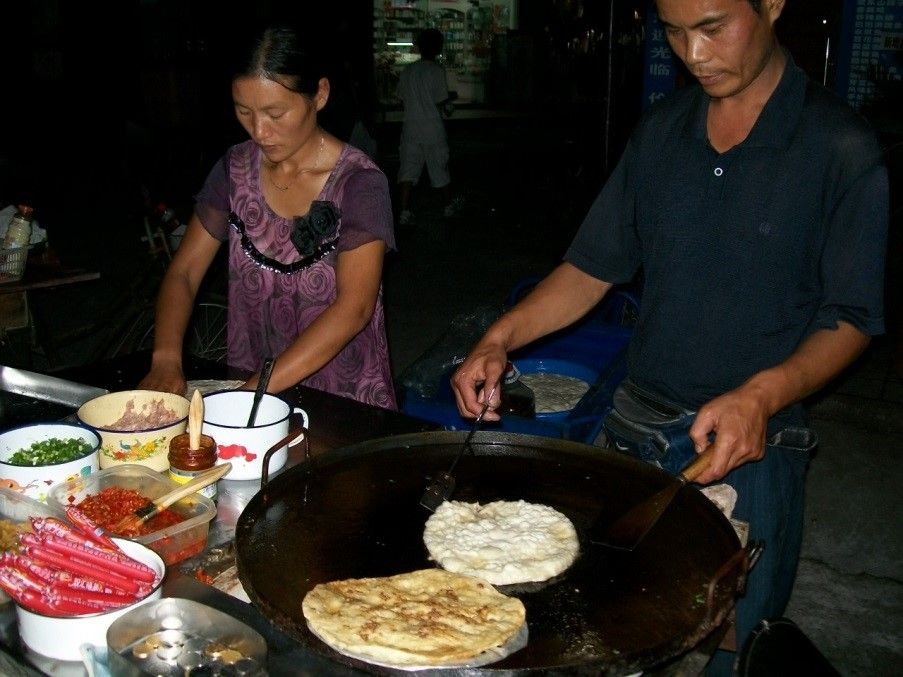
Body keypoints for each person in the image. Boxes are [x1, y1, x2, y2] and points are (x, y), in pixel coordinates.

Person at [451, 0, 888, 674]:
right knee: (598, 622)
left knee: (728, 641)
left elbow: (853, 316)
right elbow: (592, 266)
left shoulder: (840, 147)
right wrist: (498, 339)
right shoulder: (661, 133)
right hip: (636, 425)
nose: (694, 55)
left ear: (771, 4)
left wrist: (763, 394)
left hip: (752, 443)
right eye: (675, 33)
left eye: (712, 27)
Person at [139, 26, 397, 410]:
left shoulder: (359, 184)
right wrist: (164, 359)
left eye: (275, 113)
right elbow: (185, 272)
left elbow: (354, 308)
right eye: (244, 112)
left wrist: (248, 396)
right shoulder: (234, 170)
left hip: (343, 396)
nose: (259, 131)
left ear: (320, 95)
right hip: (248, 380)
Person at [396, 28, 462, 226]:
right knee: (439, 167)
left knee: (407, 169)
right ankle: (448, 205)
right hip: (432, 128)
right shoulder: (436, 71)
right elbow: (442, 102)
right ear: (438, 48)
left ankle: (404, 212)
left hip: (411, 127)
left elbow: (401, 99)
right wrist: (449, 106)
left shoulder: (408, 71)